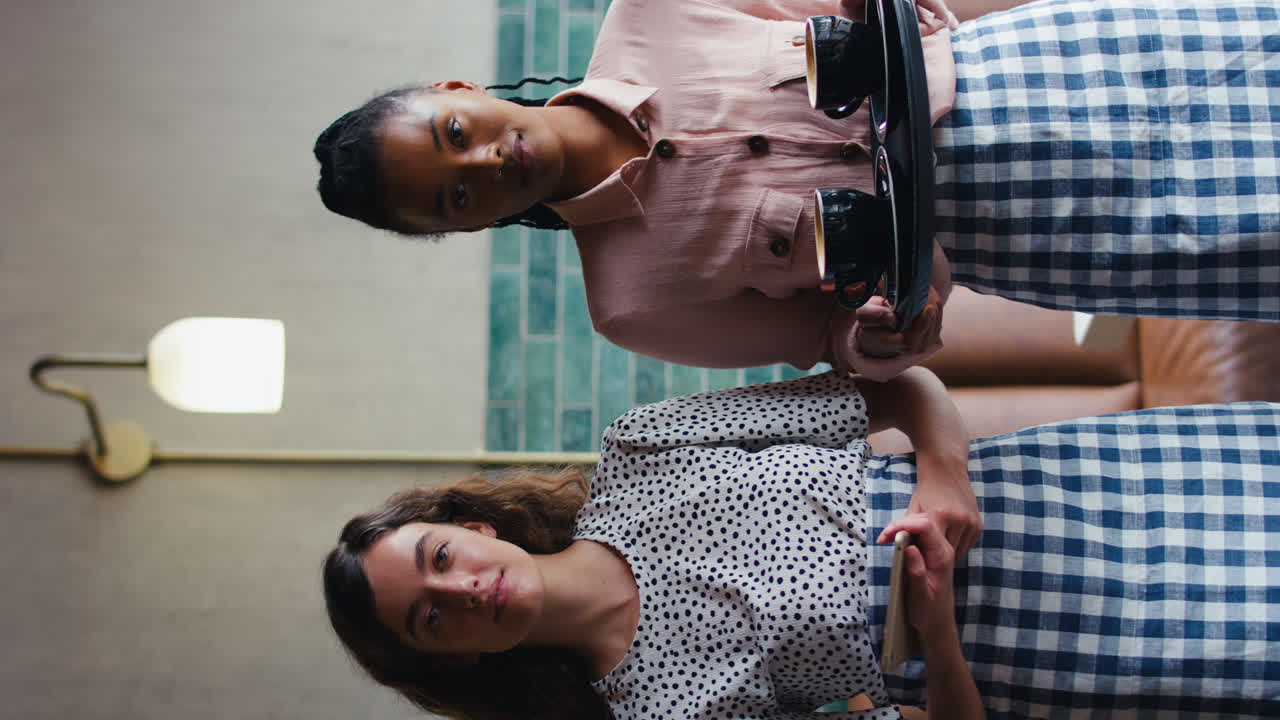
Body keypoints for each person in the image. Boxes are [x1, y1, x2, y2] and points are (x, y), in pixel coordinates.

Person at [313, 0, 1280, 382]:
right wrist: (882, 333)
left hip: (1040, 69)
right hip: (1035, 233)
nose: (483, 165)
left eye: (453, 138)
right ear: (463, 230)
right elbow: (832, 346)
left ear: (457, 91)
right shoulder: (631, 306)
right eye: (453, 198)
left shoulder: (649, 9)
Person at [323, 369, 1280, 719]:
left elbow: (903, 389)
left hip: (1050, 496)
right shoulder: (657, 717)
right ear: (455, 667)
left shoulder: (642, 445)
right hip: (1040, 648)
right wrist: (936, 636)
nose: (461, 591)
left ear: (471, 527)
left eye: (439, 560)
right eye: (431, 621)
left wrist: (942, 478)